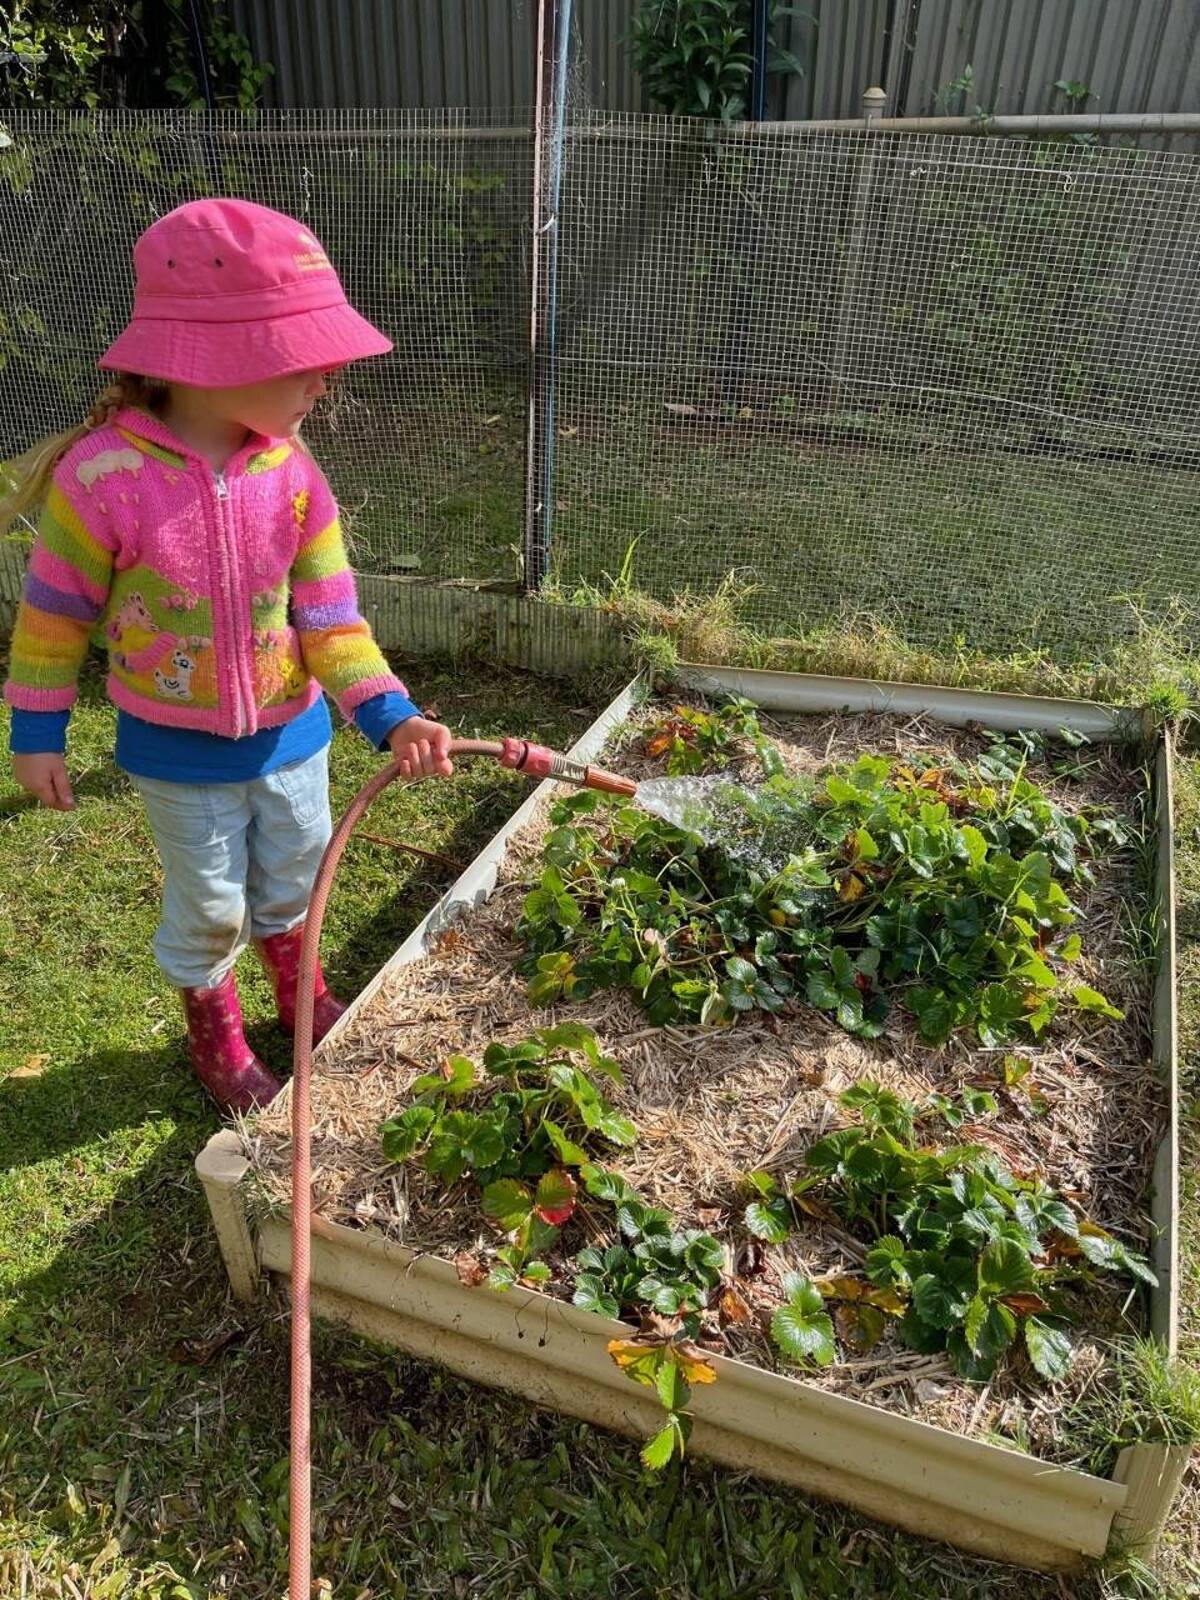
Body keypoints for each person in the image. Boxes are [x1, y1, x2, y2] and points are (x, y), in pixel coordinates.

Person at [3, 198, 454, 1112]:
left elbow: (331, 619)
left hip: (294, 744)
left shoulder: (294, 476)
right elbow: (52, 620)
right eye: (305, 358)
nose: (326, 380)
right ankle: (217, 1037)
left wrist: (389, 712)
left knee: (296, 878)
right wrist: (36, 733)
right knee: (211, 906)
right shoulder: (102, 480)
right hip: (178, 759)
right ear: (215, 358)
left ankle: (300, 998)